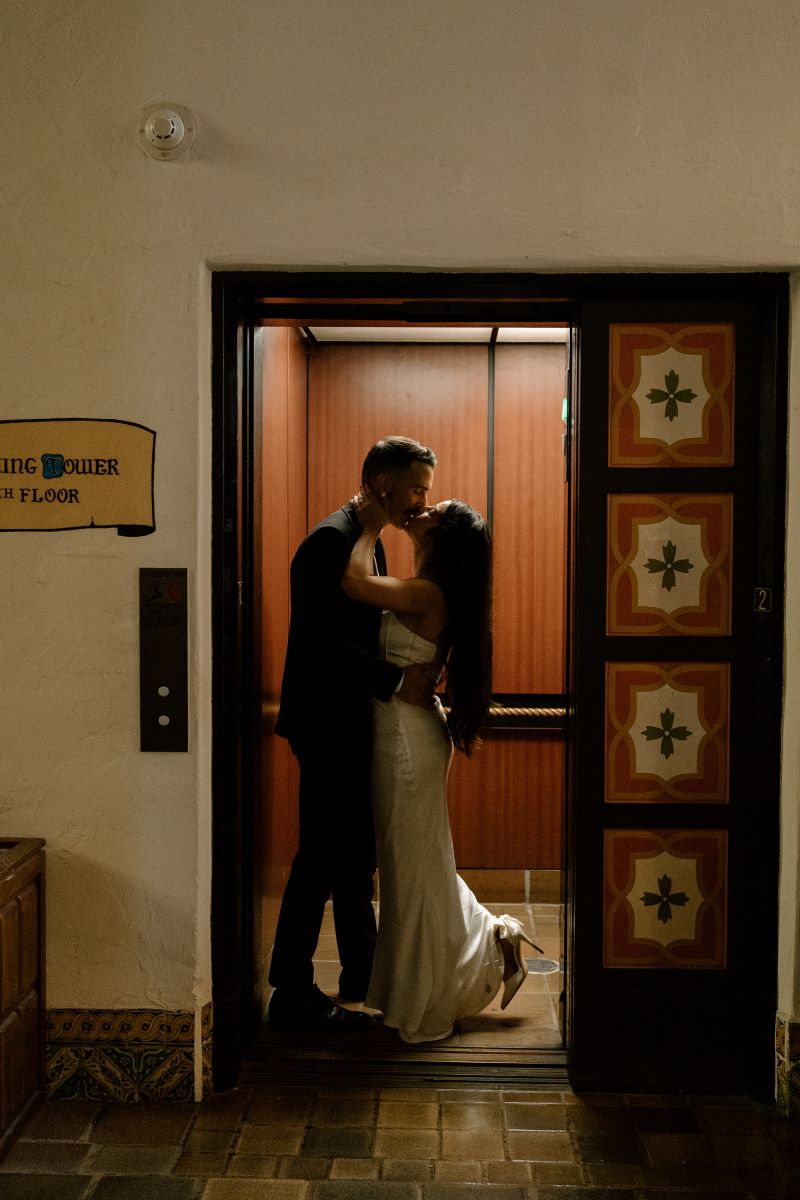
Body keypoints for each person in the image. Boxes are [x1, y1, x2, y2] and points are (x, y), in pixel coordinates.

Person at [342, 492, 542, 1043]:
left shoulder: (429, 592)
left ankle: (421, 1006)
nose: (421, 509)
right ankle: (492, 940)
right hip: (407, 733)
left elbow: (353, 583)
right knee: (418, 866)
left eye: (433, 509)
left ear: (442, 537)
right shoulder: (429, 588)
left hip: (406, 741)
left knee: (411, 874)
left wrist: (368, 528)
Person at [267, 436, 438, 1031]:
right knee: (322, 856)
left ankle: (360, 979)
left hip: (350, 721)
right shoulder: (328, 542)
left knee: (352, 856)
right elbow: (322, 646)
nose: (422, 500)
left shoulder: (364, 540)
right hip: (326, 725)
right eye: (417, 486)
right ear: (385, 484)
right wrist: (395, 680)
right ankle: (290, 987)